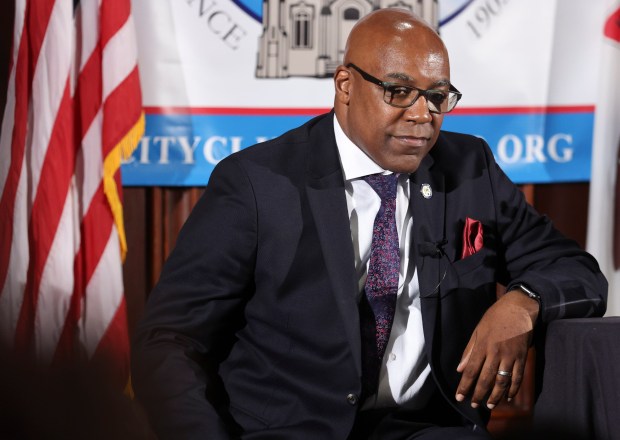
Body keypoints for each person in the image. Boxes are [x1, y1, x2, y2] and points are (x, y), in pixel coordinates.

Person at [131, 8, 607, 440]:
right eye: (398, 92)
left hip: (429, 429)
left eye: (438, 97)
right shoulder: (256, 183)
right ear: (345, 86)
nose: (423, 115)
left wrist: (522, 305)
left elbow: (576, 270)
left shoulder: (469, 167)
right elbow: (170, 341)